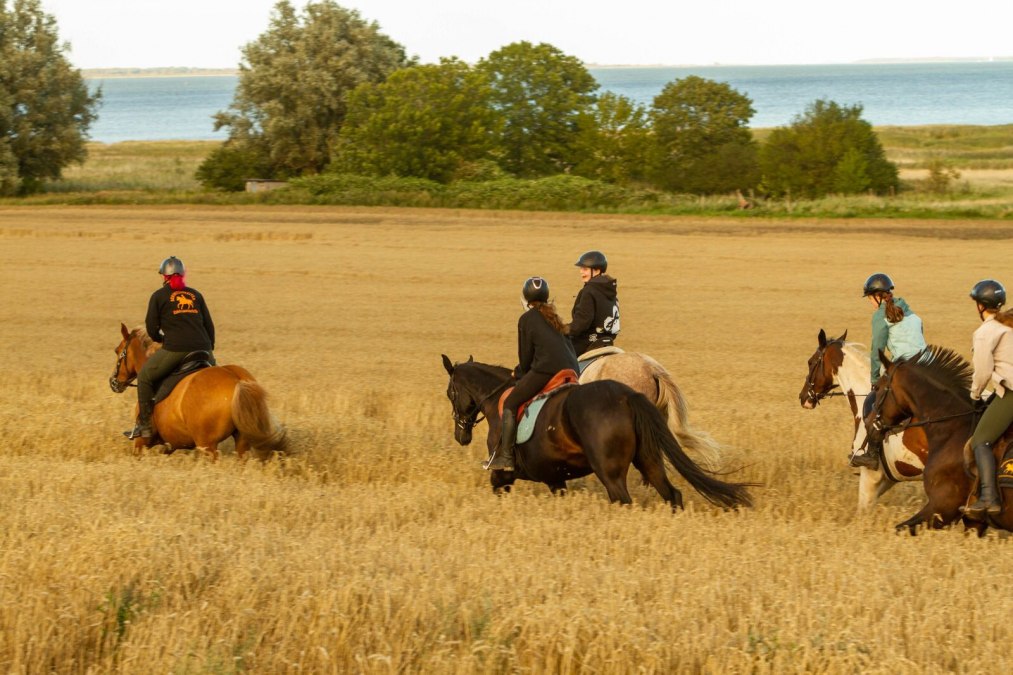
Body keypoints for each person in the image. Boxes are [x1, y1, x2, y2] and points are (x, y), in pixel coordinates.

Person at [488, 277, 579, 472]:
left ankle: (506, 457)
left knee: (511, 402)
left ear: (526, 298)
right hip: (571, 370)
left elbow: (526, 359)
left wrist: (519, 373)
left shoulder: (526, 319)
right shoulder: (554, 317)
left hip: (547, 370)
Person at [130, 256, 216, 439]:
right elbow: (209, 326)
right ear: (183, 274)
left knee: (144, 376)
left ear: (164, 276)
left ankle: (145, 426)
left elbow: (151, 327)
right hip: (204, 349)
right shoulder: (196, 295)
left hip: (176, 348)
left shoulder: (158, 296)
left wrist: (160, 339)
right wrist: (209, 348)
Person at [851, 273, 927, 468]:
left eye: (870, 298)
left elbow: (877, 350)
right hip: (929, 368)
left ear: (877, 296)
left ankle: (872, 455)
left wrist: (874, 380)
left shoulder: (880, 316)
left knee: (872, 404)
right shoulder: (910, 311)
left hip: (907, 372)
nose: (870, 303)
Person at [965, 279, 1013, 517]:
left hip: (1011, 393)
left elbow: (983, 372)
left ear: (980, 305)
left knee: (981, 440)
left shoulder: (985, 332)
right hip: (1005, 390)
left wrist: (975, 394)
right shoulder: (1008, 326)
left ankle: (988, 497)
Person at [567, 250, 620, 358]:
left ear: (597, 270)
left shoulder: (589, 291)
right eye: (581, 269)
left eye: (585, 269)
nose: (581, 272)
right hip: (607, 340)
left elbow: (582, 323)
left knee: (557, 355)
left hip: (586, 342)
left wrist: (562, 329)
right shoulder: (610, 291)